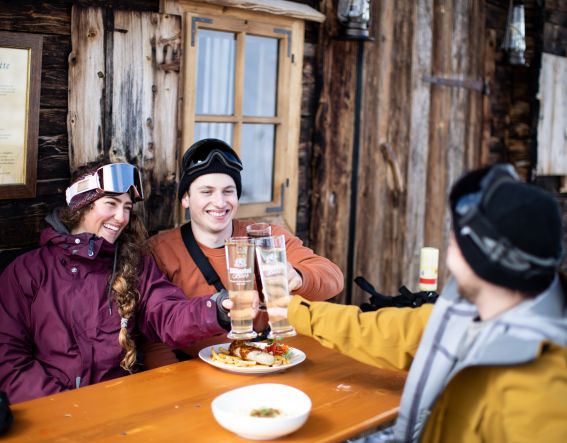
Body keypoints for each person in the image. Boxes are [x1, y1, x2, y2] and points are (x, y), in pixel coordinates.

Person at [285, 164, 567, 442]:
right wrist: (293, 310)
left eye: (457, 233)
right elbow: (387, 332)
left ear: (480, 254)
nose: (450, 240)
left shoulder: (540, 389)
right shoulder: (471, 310)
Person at [0, 161, 241, 403]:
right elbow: (8, 359)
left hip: (120, 405)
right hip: (51, 413)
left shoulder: (136, 263)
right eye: (111, 204)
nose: (121, 217)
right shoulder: (27, 272)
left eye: (127, 207)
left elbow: (166, 312)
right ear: (81, 206)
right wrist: (62, 407)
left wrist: (216, 309)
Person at [143, 138, 344, 366]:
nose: (219, 202)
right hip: (200, 371)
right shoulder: (160, 251)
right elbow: (153, 337)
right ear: (186, 198)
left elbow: (333, 278)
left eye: (228, 191)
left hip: (272, 360)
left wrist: (298, 276)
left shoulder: (265, 236)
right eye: (206, 192)